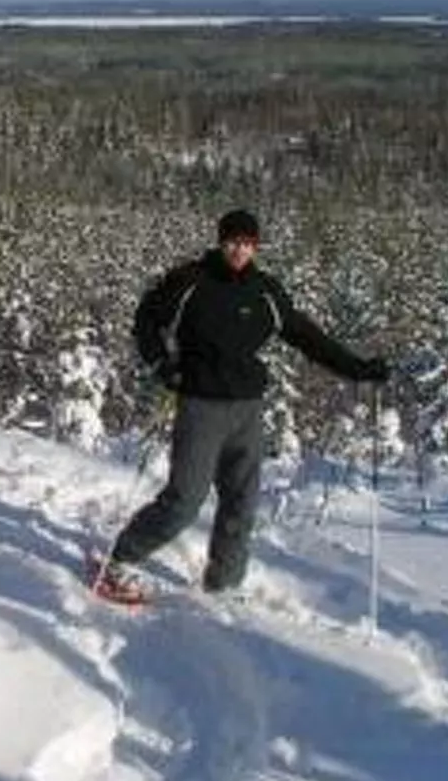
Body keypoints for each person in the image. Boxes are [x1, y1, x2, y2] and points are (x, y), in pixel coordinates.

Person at [95, 208, 390, 601]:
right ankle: (120, 563)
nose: (239, 250)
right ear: (221, 242)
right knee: (184, 501)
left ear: (256, 247)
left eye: (248, 244)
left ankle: (223, 587)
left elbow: (307, 336)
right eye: (233, 242)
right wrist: (161, 364)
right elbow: (146, 319)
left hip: (247, 409)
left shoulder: (265, 292)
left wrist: (357, 369)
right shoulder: (189, 282)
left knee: (241, 503)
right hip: (201, 405)